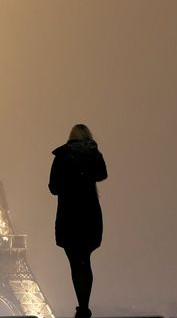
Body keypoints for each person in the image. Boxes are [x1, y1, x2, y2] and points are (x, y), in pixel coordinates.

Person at [49, 124, 108, 318]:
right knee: (85, 261)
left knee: (75, 263)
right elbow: (102, 175)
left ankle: (81, 307)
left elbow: (54, 188)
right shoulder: (94, 154)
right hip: (90, 214)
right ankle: (84, 307)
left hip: (70, 215)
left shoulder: (63, 155)